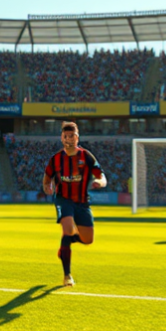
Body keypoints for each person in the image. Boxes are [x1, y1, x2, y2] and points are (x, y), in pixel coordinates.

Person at [42, 122, 107, 287]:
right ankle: (67, 275)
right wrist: (46, 186)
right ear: (61, 138)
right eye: (66, 136)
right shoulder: (55, 159)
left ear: (77, 137)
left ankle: (65, 246)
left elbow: (101, 176)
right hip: (63, 199)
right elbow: (47, 177)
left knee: (87, 239)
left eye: (72, 136)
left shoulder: (86, 156)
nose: (69, 139)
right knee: (68, 228)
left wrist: (100, 182)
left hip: (82, 202)